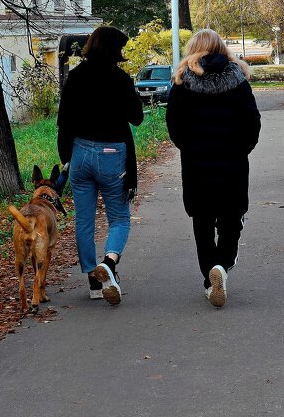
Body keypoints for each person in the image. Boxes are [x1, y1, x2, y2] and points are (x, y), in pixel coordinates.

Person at [166, 29, 262, 307]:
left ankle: (210, 279)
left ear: (193, 48)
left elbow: (174, 125)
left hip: (197, 165)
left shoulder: (182, 83)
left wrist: (190, 148)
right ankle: (222, 265)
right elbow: (252, 122)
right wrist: (241, 149)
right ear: (221, 48)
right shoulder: (238, 80)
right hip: (232, 164)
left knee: (203, 223)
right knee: (232, 221)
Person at [57, 26, 143, 305]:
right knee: (119, 217)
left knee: (84, 220)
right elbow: (137, 117)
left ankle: (94, 282)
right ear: (115, 50)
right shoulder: (120, 79)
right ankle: (109, 263)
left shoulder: (76, 76)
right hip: (112, 152)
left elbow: (64, 120)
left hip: (80, 151)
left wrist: (66, 157)